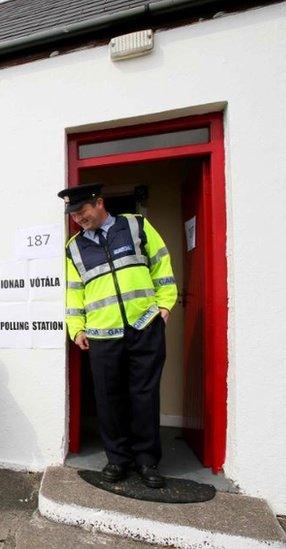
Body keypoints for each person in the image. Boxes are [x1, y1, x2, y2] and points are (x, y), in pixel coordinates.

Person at [58, 183, 177, 489]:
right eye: (74, 214)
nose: (79, 219)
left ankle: (147, 462)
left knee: (144, 396)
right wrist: (77, 328)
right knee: (109, 399)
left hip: (144, 325)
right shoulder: (74, 247)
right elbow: (74, 292)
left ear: (99, 203)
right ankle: (117, 459)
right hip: (102, 333)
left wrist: (164, 304)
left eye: (83, 211)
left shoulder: (136, 225)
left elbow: (162, 263)